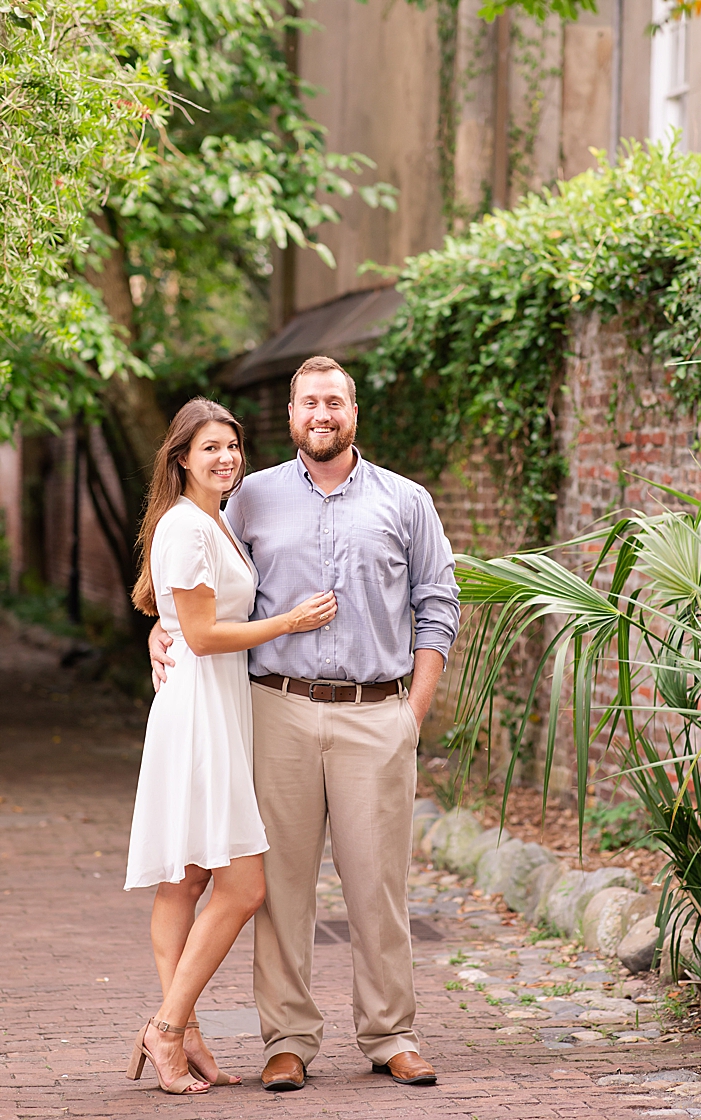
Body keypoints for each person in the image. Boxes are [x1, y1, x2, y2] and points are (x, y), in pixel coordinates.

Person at [151, 356, 460, 1091]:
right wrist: (160, 632)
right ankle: (286, 1039)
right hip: (276, 711)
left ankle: (390, 1035)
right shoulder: (248, 499)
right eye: (308, 403)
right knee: (279, 887)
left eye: (334, 402)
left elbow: (438, 602)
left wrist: (411, 713)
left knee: (378, 885)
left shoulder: (406, 500)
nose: (321, 414)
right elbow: (193, 585)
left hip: (374, 712)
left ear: (354, 411)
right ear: (289, 415)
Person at [125, 398, 336, 1094]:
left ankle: (179, 1034)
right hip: (199, 713)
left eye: (233, 447)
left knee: (186, 878)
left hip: (218, 704)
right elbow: (205, 633)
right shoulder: (187, 525)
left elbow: (176, 622)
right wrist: (288, 622)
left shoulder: (213, 519)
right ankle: (168, 1027)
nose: (225, 458)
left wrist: (167, 632)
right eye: (210, 448)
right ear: (181, 457)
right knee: (240, 885)